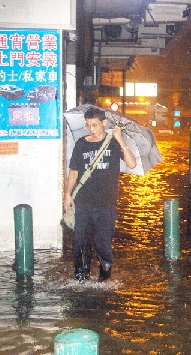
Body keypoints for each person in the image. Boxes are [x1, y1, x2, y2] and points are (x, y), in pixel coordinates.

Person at [64, 107, 137, 283]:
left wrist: (121, 140)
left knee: (103, 244)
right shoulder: (81, 144)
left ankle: (104, 279)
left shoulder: (114, 142)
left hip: (106, 205)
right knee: (80, 243)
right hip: (83, 203)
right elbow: (74, 171)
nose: (91, 129)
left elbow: (132, 164)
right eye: (88, 125)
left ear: (104, 123)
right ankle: (81, 278)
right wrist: (67, 194)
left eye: (95, 125)